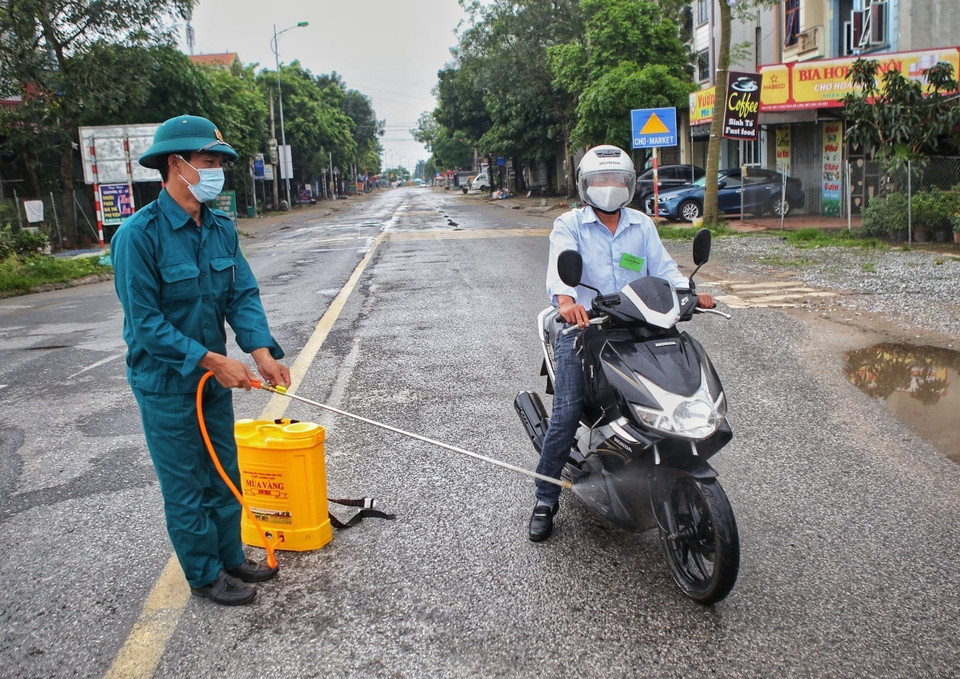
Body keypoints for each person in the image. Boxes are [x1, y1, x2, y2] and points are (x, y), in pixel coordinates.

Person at [112, 114, 292, 605]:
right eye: (208, 162)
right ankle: (203, 574)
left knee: (223, 470)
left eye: (218, 163)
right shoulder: (138, 236)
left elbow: (241, 295)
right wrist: (213, 360)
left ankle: (230, 555)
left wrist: (261, 351)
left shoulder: (219, 229)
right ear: (176, 164)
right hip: (166, 382)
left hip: (212, 380)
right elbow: (146, 324)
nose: (216, 171)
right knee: (186, 480)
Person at [530, 145, 715, 542]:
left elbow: (664, 269)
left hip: (639, 325)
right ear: (585, 185)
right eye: (600, 180)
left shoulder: (641, 225)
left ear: (629, 184)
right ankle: (545, 498)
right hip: (585, 330)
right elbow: (561, 274)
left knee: (670, 387)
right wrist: (566, 302)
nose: (608, 187)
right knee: (564, 415)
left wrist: (691, 293)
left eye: (616, 180)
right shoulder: (569, 225)